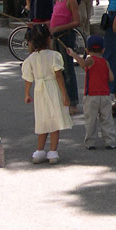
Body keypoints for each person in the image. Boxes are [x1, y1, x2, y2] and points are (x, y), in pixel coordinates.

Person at [21, 23, 73, 165]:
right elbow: (58, 76)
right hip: (53, 88)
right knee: (54, 119)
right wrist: (64, 94)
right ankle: (53, 152)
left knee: (42, 119)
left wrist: (27, 94)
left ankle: (39, 151)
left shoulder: (30, 59)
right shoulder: (54, 56)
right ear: (48, 39)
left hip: (39, 91)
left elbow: (28, 78)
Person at [66, 35, 116, 150]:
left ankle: (90, 142)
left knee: (90, 120)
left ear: (87, 50)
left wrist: (73, 54)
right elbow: (111, 78)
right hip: (105, 96)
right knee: (107, 119)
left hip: (91, 96)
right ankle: (110, 141)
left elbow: (83, 64)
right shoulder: (105, 62)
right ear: (103, 50)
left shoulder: (90, 60)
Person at [49, 0, 81, 115]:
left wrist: (58, 28)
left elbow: (76, 22)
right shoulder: (58, 0)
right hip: (55, 38)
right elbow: (54, 20)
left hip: (65, 37)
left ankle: (72, 102)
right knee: (58, 70)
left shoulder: (71, 0)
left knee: (67, 70)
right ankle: (63, 100)